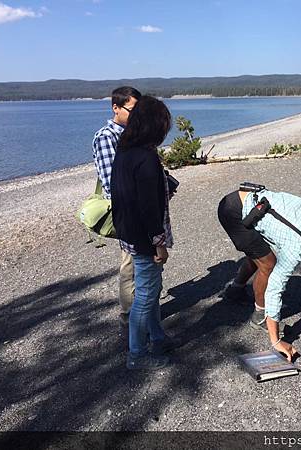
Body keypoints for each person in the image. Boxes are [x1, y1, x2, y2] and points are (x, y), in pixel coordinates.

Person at [218, 186, 301, 362]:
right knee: (268, 265)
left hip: (244, 199)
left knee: (259, 254)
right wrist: (276, 341)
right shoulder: (295, 249)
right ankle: (259, 317)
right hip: (233, 213)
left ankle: (235, 290)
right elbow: (275, 287)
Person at [111, 96, 179, 370]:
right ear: (155, 126)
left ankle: (158, 337)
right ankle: (136, 354)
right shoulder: (146, 158)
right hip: (144, 239)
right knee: (146, 296)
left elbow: (124, 196)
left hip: (129, 232)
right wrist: (158, 244)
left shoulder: (126, 150)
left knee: (150, 290)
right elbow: (150, 208)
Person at [92, 86, 141, 328]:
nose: (136, 115)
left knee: (146, 263)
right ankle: (129, 314)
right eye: (132, 110)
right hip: (128, 210)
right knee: (131, 263)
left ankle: (143, 312)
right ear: (116, 108)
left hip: (142, 208)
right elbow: (113, 182)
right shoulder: (106, 137)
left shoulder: (132, 134)